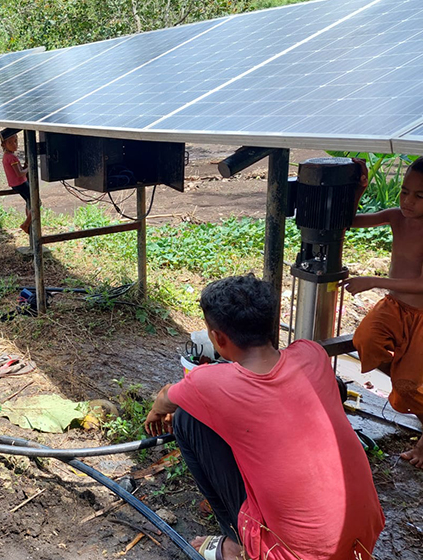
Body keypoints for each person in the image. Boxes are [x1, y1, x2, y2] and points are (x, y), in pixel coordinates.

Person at [144, 275, 384, 560]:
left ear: (218, 338)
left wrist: (158, 411)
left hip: (293, 554)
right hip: (364, 534)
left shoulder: (209, 383)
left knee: (187, 419)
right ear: (271, 325)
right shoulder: (312, 354)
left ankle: (237, 543)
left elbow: (165, 399)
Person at [344, 157, 423, 468]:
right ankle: (408, 376)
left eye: (419, 196)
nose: (408, 201)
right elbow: (350, 222)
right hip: (394, 307)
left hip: (421, 316)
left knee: (407, 386)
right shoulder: (396, 217)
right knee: (366, 340)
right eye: (405, 192)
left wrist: (372, 282)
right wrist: (358, 191)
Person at [0, 130, 32, 234]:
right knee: (37, 203)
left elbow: (18, 170)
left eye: (16, 141)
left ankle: (29, 222)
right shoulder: (12, 157)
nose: (14, 145)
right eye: (10, 143)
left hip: (15, 184)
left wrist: (24, 168)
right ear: (3, 144)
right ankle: (26, 224)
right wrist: (30, 168)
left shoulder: (6, 156)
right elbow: (19, 173)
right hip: (21, 183)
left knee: (29, 201)